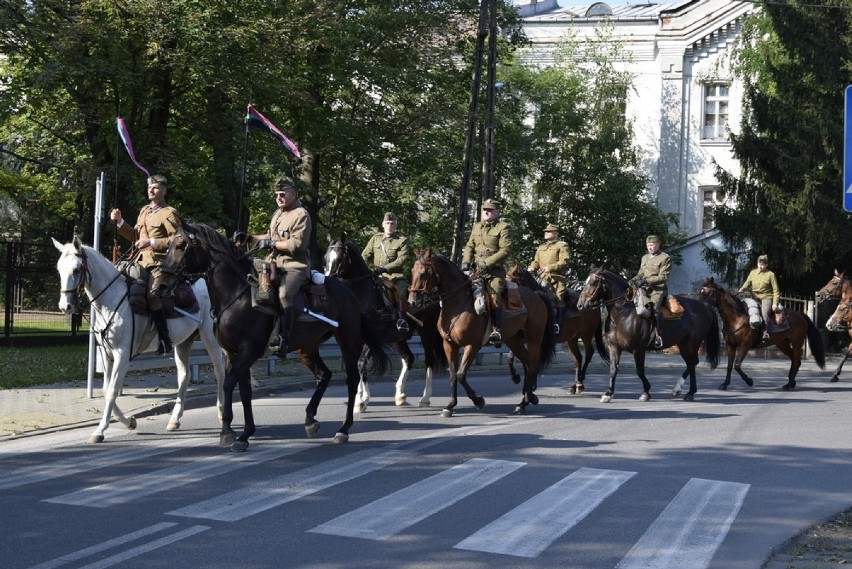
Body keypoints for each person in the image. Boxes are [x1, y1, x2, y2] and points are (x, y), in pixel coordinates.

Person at [110, 174, 182, 355]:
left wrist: (151, 242)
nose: (151, 190)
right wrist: (120, 221)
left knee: (152, 296)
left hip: (161, 263)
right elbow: (135, 236)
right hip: (139, 261)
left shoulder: (169, 213)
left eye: (156, 187)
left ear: (164, 191)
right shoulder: (144, 211)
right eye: (149, 187)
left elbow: (179, 240)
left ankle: (165, 340)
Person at [250, 177, 312, 357]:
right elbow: (269, 236)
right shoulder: (278, 213)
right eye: (277, 194)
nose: (279, 198)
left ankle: (284, 339)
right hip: (273, 263)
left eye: (283, 194)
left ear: (294, 194)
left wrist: (271, 243)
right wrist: (249, 238)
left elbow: (296, 245)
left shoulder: (301, 214)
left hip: (295, 266)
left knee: (284, 294)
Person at [461, 198, 512, 345]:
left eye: (490, 210)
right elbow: (470, 246)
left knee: (494, 297)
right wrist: (466, 261)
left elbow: (505, 250)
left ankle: (496, 330)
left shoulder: (503, 227)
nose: (486, 212)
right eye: (484, 209)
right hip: (475, 269)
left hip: (494, 272)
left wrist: (488, 263)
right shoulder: (477, 227)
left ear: (497, 212)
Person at [362, 212, 411, 333]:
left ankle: (401, 320)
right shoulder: (376, 238)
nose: (390, 225)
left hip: (395, 276)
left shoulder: (401, 241)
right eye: (388, 223)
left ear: (396, 225)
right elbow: (364, 255)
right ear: (383, 224)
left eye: (392, 223)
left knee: (401, 291)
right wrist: (365, 268)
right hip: (376, 275)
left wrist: (385, 268)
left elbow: (402, 260)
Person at [629, 235, 671, 349]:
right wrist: (634, 279)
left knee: (655, 308)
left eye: (652, 245)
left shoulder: (665, 258)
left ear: (658, 245)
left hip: (657, 290)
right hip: (643, 288)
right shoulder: (645, 258)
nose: (650, 248)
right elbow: (640, 274)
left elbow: (663, 277)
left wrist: (645, 281)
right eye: (648, 245)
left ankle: (658, 336)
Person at [528, 223, 571, 334]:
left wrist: (551, 267)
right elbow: (536, 261)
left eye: (549, 231)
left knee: (558, 298)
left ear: (556, 233)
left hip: (557, 279)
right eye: (545, 231)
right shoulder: (541, 247)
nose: (546, 233)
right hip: (541, 278)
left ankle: (557, 324)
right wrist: (532, 267)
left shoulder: (562, 246)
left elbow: (564, 261)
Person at [739, 254, 780, 341]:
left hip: (766, 297)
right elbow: (747, 282)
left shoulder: (770, 275)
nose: (760, 266)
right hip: (754, 297)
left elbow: (776, 290)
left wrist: (775, 304)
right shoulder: (753, 273)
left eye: (763, 264)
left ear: (766, 265)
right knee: (745, 309)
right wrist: (743, 288)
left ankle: (765, 332)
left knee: (764, 313)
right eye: (759, 264)